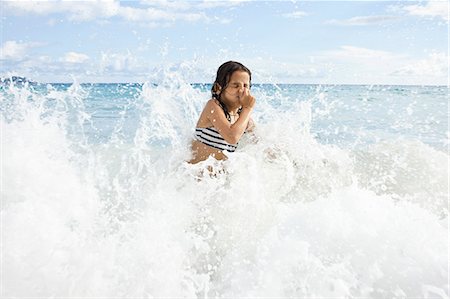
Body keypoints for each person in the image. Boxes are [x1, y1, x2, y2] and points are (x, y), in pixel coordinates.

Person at [189, 61, 256, 164]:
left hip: (219, 179)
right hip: (193, 177)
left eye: (246, 86)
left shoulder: (242, 119)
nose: (242, 91)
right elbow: (232, 137)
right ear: (218, 88)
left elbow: (259, 144)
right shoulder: (213, 106)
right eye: (236, 85)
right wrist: (247, 108)